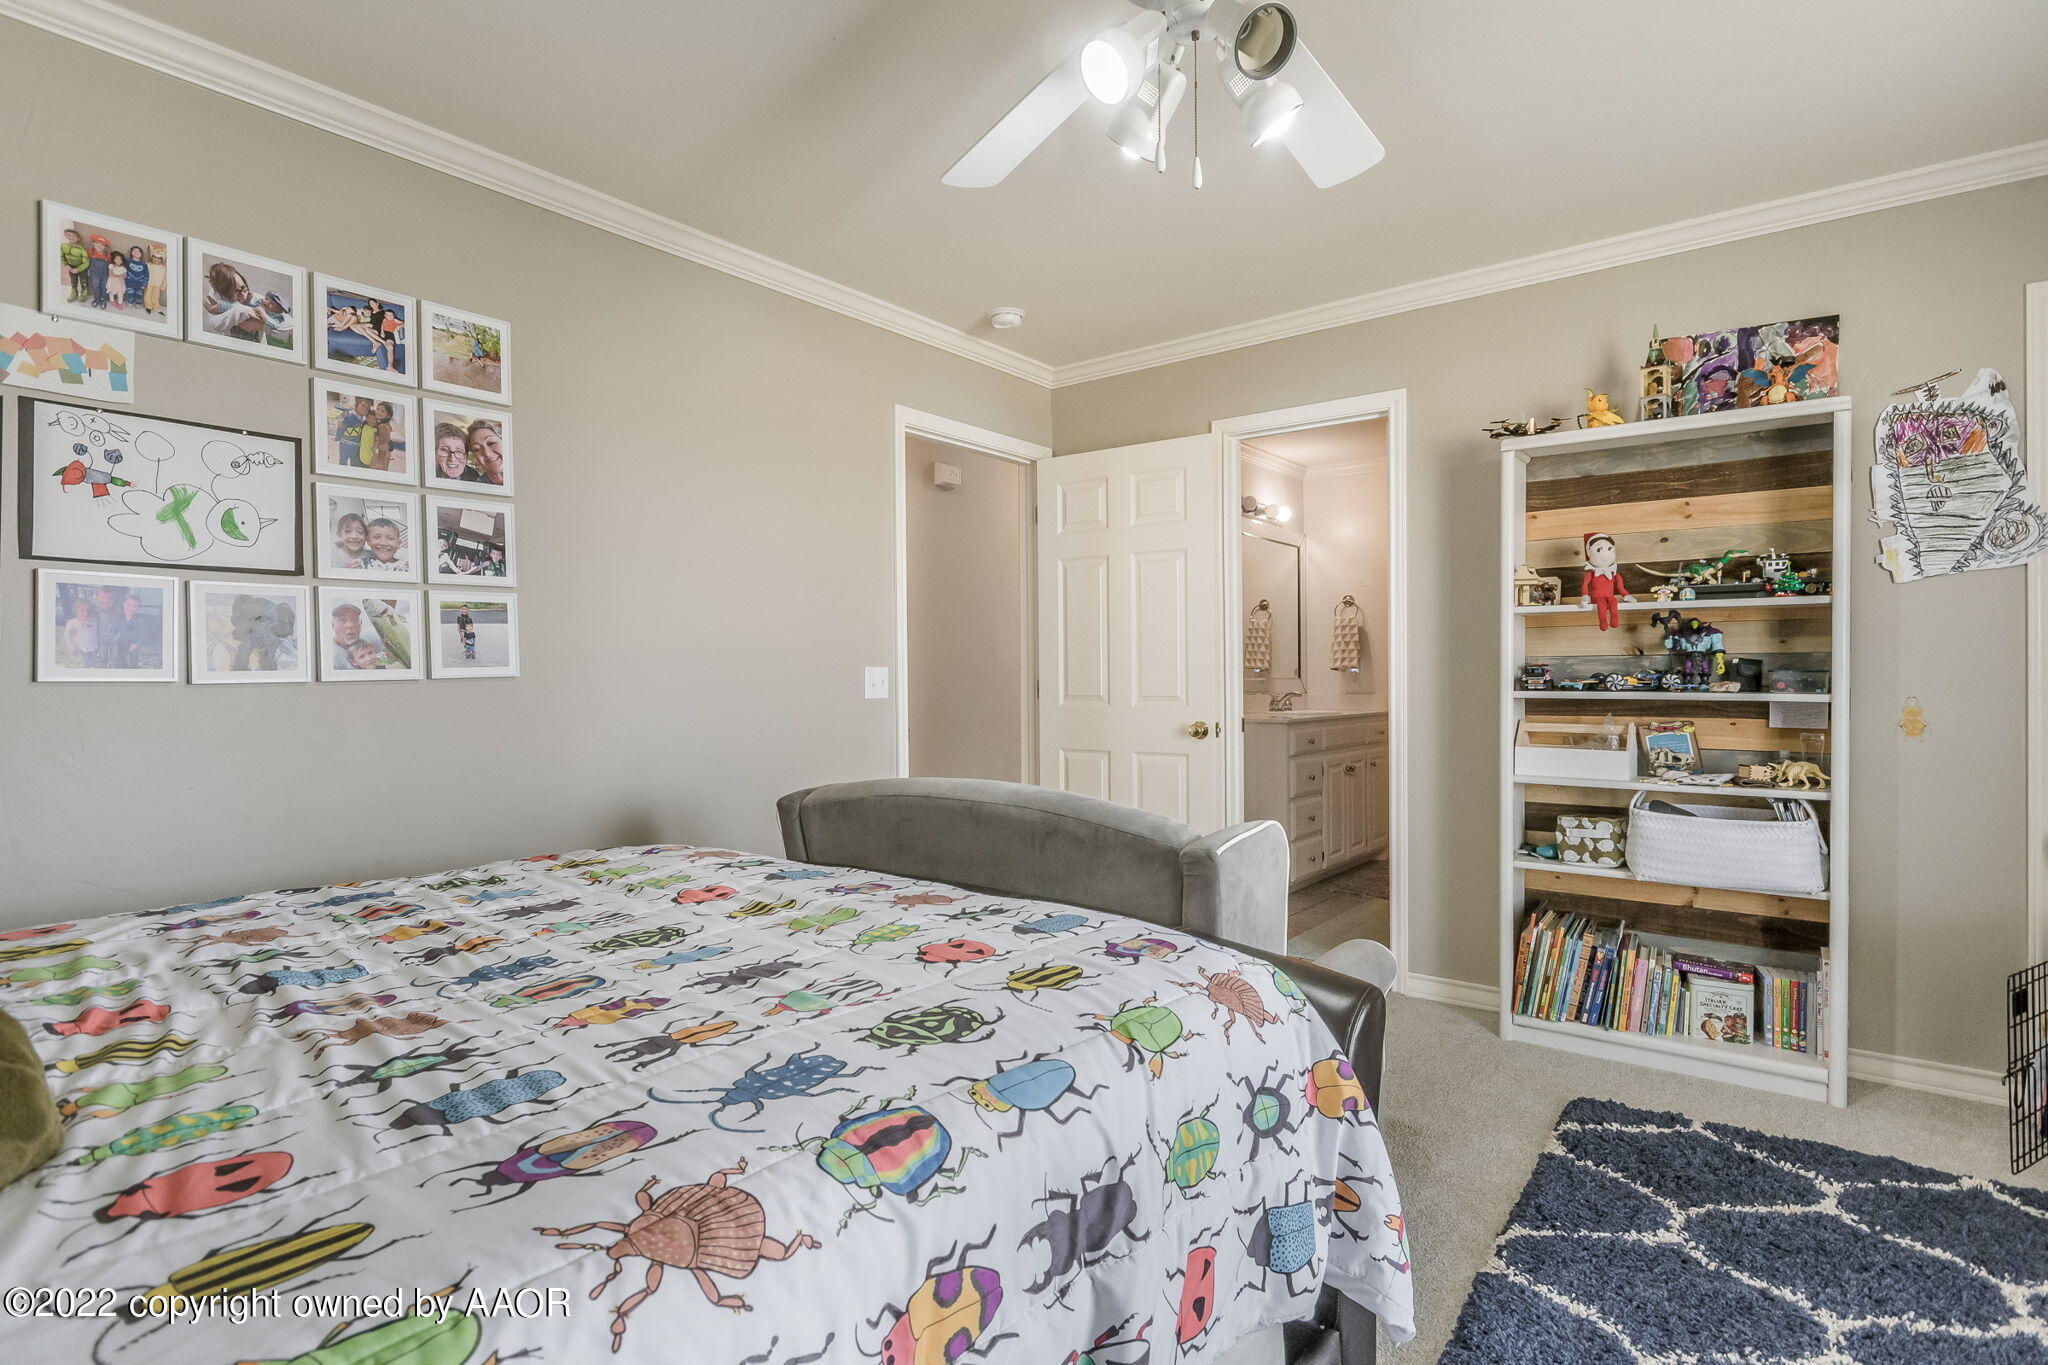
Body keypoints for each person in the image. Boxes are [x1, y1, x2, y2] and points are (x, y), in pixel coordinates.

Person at [334, 397, 373, 470]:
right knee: (343, 462)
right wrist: (337, 437)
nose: (364, 409)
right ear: (356, 406)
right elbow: (341, 427)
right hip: (344, 446)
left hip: (355, 447)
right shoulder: (349, 417)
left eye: (367, 409)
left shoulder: (364, 420)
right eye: (362, 406)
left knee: (354, 463)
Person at [464, 419, 507, 486]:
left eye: (491, 443)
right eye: (477, 449)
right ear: (475, 458)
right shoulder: (477, 487)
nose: (487, 453)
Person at [62, 596, 97, 667]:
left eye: (88, 611)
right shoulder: (72, 623)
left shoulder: (94, 620)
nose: (85, 613)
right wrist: (72, 647)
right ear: (76, 610)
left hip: (93, 647)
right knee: (84, 665)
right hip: (80, 648)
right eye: (82, 610)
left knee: (92, 663)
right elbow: (67, 636)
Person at [329, 601, 365, 669]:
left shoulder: (367, 643)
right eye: (342, 620)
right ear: (333, 625)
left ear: (361, 623)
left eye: (354, 619)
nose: (350, 625)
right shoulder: (333, 658)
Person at [58, 229, 88, 303]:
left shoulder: (81, 249)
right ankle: (74, 292)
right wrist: (66, 265)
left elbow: (86, 262)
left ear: (78, 238)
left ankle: (84, 292)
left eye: (74, 236)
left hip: (81, 268)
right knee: (73, 280)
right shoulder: (63, 246)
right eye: (69, 235)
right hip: (70, 267)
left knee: (83, 280)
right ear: (65, 235)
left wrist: (79, 269)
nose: (71, 237)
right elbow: (61, 256)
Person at [369, 401, 397, 473]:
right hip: (385, 454)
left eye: (382, 411)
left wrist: (373, 453)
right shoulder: (387, 424)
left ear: (388, 415)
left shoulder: (382, 426)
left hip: (380, 456)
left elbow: (381, 447)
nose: (378, 412)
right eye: (378, 409)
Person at [86, 234, 111, 309]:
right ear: (93, 244)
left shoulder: (107, 255)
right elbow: (87, 261)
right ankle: (96, 299)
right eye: (97, 244)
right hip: (94, 273)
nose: (99, 246)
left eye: (102, 245)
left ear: (105, 247)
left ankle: (103, 300)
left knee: (104, 287)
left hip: (105, 274)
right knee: (95, 286)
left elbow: (110, 264)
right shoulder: (91, 252)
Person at [143, 243, 167, 316]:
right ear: (152, 257)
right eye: (155, 257)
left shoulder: (163, 268)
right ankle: (148, 307)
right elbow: (143, 273)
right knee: (147, 295)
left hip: (157, 285)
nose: (156, 259)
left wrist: (163, 285)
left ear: (162, 259)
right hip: (149, 284)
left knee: (156, 297)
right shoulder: (148, 264)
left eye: (159, 258)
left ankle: (156, 307)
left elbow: (165, 278)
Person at [123, 247, 148, 311]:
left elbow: (146, 274)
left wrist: (144, 284)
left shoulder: (144, 264)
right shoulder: (128, 261)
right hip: (129, 282)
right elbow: (123, 268)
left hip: (139, 284)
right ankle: (129, 303)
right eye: (134, 251)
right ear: (131, 253)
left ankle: (138, 304)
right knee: (129, 293)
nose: (136, 252)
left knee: (139, 294)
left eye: (139, 251)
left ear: (141, 254)